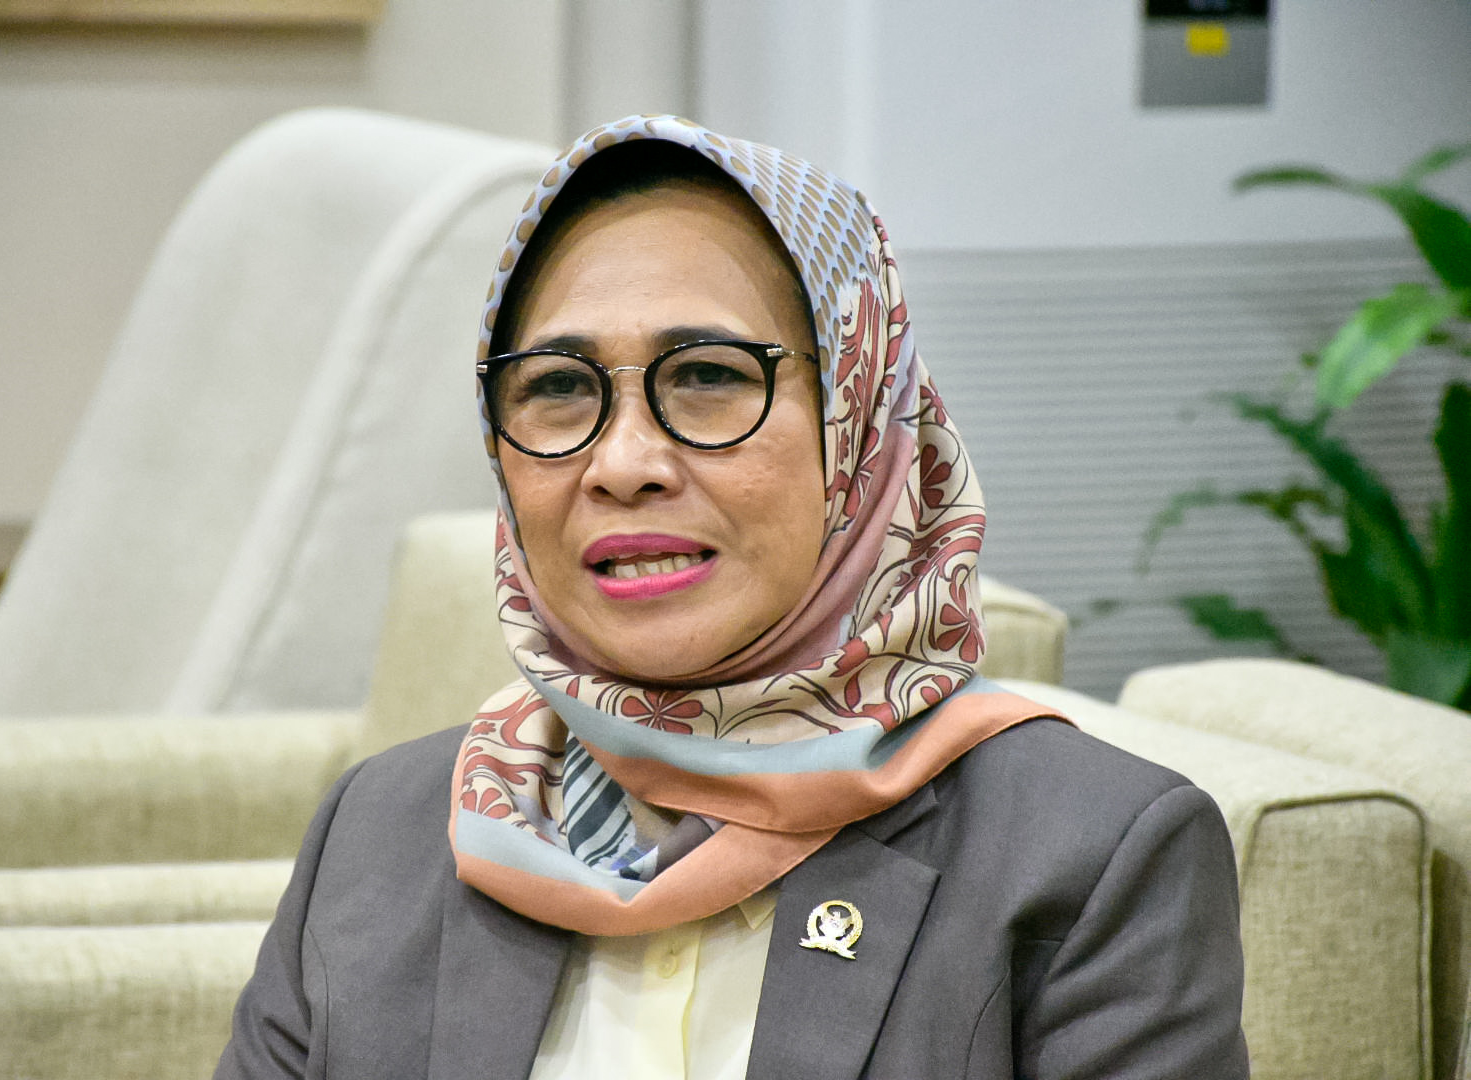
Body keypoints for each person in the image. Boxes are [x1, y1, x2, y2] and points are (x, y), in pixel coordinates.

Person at [214, 115, 1249, 1080]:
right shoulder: (379, 831)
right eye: (558, 387)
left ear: (857, 419)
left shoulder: (1092, 855)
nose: (624, 464)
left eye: (708, 375)